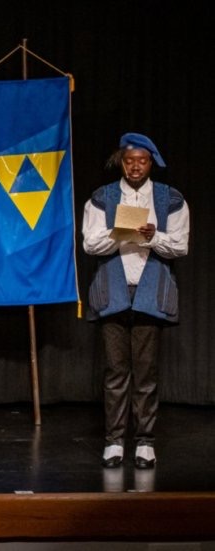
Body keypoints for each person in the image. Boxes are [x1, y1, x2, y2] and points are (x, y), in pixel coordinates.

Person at [82, 133, 189, 469]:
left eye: (142, 160)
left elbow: (181, 245)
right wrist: (120, 232)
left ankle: (145, 442)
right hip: (113, 291)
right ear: (121, 162)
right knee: (116, 371)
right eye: (130, 161)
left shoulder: (170, 199)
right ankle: (114, 442)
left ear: (151, 162)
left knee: (145, 372)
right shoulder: (102, 197)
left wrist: (152, 236)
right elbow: (90, 244)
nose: (135, 166)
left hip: (149, 291)